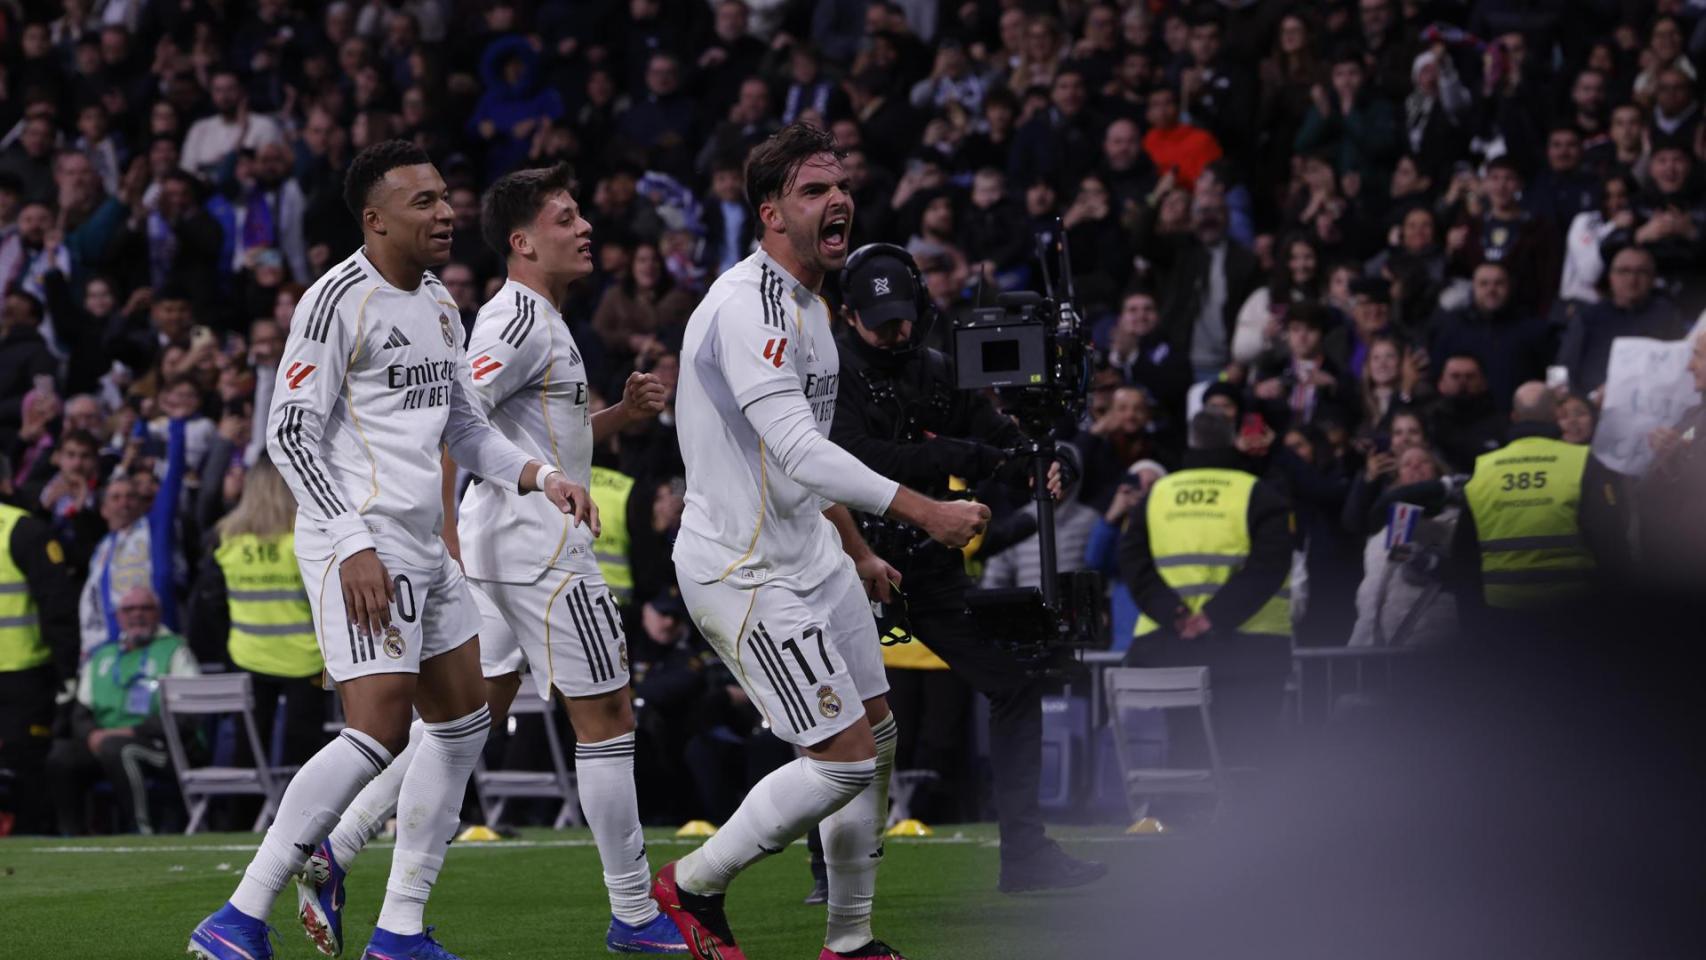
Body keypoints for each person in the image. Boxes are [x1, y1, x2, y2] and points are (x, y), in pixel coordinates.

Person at [188, 140, 589, 960]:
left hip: (424, 547)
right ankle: (239, 915)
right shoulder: (336, 301)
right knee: (375, 730)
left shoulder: (442, 303)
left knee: (464, 722)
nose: (445, 213)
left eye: (445, 197)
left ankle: (400, 928)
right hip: (360, 540)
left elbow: (465, 428)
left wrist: (539, 475)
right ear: (374, 221)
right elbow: (289, 434)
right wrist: (352, 543)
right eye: (423, 203)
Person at [300, 163, 683, 955]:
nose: (584, 229)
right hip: (534, 548)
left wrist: (618, 416)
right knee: (607, 719)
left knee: (464, 725)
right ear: (523, 242)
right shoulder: (517, 322)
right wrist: (441, 535)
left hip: (500, 540)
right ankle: (635, 913)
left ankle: (341, 849)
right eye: (567, 218)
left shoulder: (537, 316)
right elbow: (455, 425)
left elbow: (541, 443)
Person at [658, 124, 988, 960]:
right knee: (840, 759)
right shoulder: (749, 307)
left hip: (812, 551)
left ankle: (849, 940)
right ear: (770, 213)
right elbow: (804, 449)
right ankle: (690, 886)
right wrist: (925, 513)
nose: (837, 199)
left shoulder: (810, 304)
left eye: (839, 185)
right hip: (743, 568)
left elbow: (796, 457)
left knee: (876, 741)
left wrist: (857, 548)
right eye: (812, 190)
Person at [831, 241, 1105, 892]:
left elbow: (999, 439)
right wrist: (960, 455)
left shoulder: (931, 368)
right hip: (843, 559)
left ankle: (1028, 857)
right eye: (882, 322)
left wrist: (1044, 457)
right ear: (848, 317)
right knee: (840, 717)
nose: (896, 332)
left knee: (1014, 684)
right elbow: (851, 460)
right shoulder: (831, 373)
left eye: (904, 317)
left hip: (926, 567)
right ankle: (830, 866)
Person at [1118, 411, 1293, 766]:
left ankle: (1179, 819)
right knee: (1250, 760)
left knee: (1187, 754)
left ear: (1191, 441)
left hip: (1171, 647)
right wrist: (1214, 617)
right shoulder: (1256, 493)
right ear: (1231, 440)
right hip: (1250, 650)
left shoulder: (1158, 495)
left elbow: (1133, 562)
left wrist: (1175, 615)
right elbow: (1269, 565)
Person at [187, 456, 325, 769]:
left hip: (247, 655)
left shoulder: (225, 538)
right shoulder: (304, 537)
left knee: (247, 756)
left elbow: (211, 604)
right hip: (307, 658)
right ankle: (304, 819)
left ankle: (243, 818)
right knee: (304, 760)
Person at [46, 585, 199, 834]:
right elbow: (81, 715)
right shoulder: (101, 657)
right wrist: (92, 735)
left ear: (158, 613)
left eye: (145, 608)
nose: (136, 615)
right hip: (106, 745)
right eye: (129, 609)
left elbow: (190, 715)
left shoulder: (175, 651)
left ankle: (141, 829)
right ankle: (71, 837)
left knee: (119, 748)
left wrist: (132, 731)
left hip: (163, 749)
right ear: (118, 616)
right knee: (61, 756)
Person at [1457, 383, 1617, 618]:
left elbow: (1464, 555)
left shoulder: (1483, 469)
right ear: (1556, 414)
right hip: (1575, 612)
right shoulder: (1582, 462)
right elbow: (1612, 542)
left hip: (1502, 615)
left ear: (1514, 416)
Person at [0, 497, 80, 834]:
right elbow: (56, 605)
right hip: (23, 672)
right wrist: (66, 672)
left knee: (26, 769)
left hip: (24, 675)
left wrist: (65, 670)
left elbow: (55, 606)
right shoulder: (22, 530)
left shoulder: (22, 531)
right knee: (26, 769)